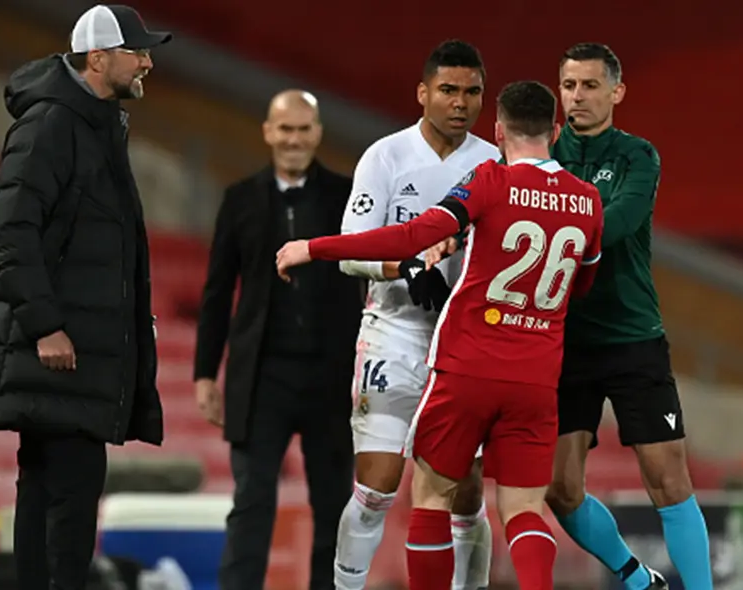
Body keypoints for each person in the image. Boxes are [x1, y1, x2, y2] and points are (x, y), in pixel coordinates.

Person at [277, 80, 604, 590]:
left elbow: (411, 236)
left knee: (430, 496)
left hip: (467, 364)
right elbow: (582, 284)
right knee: (523, 510)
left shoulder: (490, 180)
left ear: (498, 130)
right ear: (556, 131)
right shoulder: (588, 201)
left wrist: (316, 248)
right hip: (537, 375)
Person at [0, 5, 169, 589]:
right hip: (60, 350)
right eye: (136, 51)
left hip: (78, 350)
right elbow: (11, 230)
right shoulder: (52, 123)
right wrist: (46, 324)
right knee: (66, 499)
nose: (148, 61)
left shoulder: (93, 121)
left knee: (51, 492)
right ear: (98, 58)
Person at [332, 39, 499, 590]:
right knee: (377, 486)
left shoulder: (492, 164)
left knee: (467, 489)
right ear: (423, 93)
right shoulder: (385, 156)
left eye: (472, 92)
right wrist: (404, 266)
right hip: (395, 332)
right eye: (449, 90)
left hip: (462, 342)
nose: (461, 102)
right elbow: (351, 250)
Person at [544, 42, 708, 590]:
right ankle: (637, 579)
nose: (578, 97)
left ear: (617, 92)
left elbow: (615, 225)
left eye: (590, 85)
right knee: (559, 489)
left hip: (633, 338)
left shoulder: (639, 156)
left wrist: (552, 219)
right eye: (569, 85)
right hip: (562, 344)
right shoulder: (538, 157)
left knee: (668, 481)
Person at [193, 89, 362, 590]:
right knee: (251, 503)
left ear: (318, 133)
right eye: (284, 129)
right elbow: (217, 291)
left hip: (330, 378)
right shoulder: (239, 199)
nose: (293, 139)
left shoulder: (347, 195)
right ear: (267, 131)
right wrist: (205, 374)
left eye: (303, 128)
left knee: (333, 506)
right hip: (260, 377)